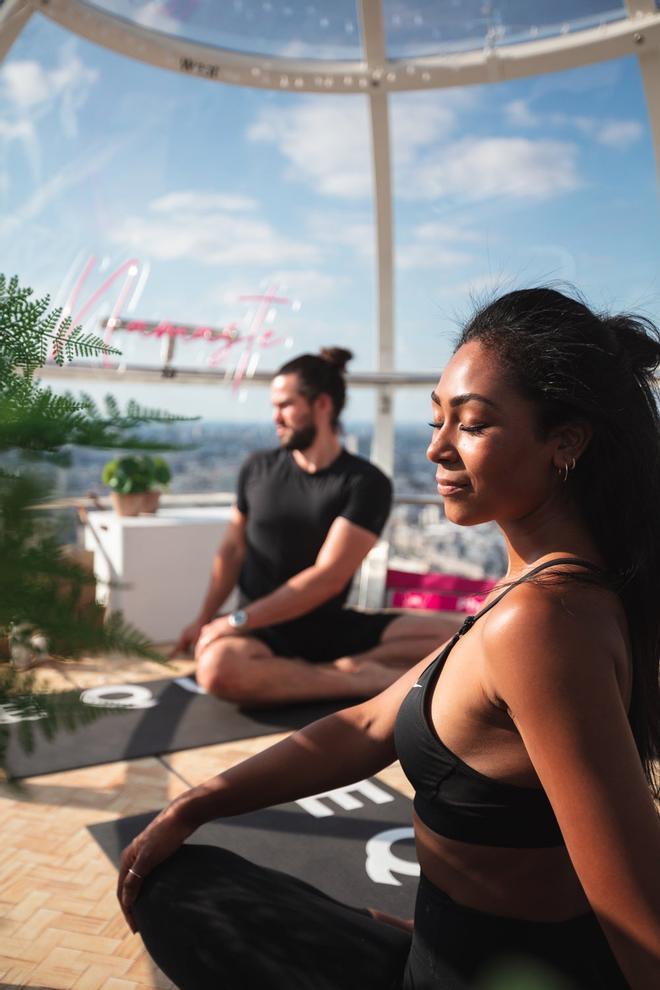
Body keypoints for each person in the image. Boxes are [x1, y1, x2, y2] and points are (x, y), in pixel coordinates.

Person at [118, 288, 660, 989]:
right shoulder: (536, 596)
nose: (436, 447)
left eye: (471, 424)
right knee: (191, 881)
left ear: (566, 442)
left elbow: (640, 922)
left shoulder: (543, 624)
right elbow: (372, 721)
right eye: (437, 418)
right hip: (451, 950)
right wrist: (193, 805)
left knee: (184, 896)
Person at [172, 346, 460, 705]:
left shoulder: (364, 482)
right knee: (218, 668)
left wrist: (236, 620)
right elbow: (231, 551)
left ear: (322, 404)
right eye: (274, 406)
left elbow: (328, 577)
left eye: (286, 405)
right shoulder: (257, 469)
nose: (275, 417)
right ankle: (366, 679)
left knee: (465, 634)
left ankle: (327, 671)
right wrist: (207, 619)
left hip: (329, 628)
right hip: (261, 631)